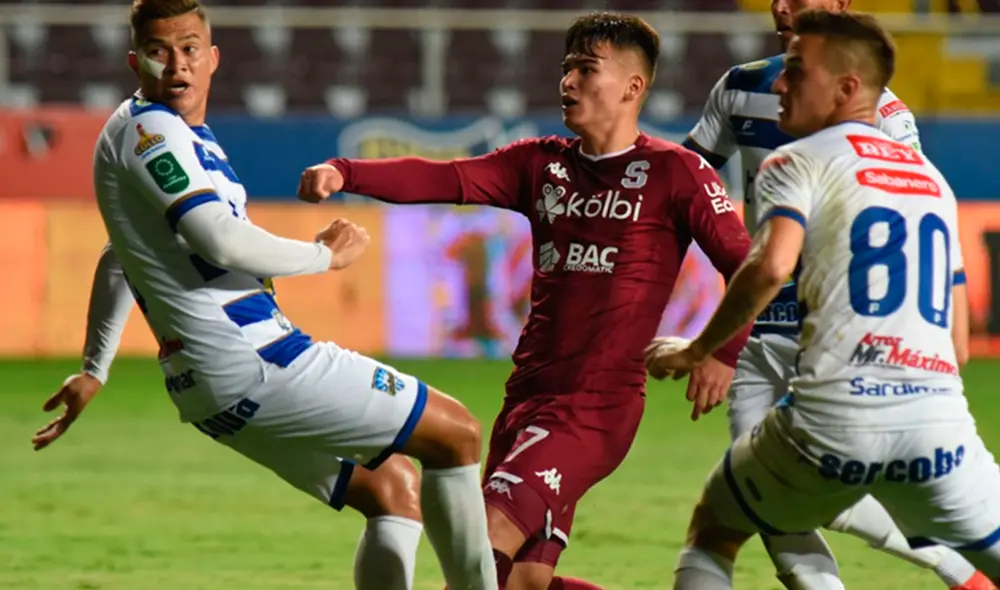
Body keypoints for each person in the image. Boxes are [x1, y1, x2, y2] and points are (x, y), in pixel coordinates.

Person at [31, 2, 498, 589]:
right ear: (135, 60)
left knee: (391, 490)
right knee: (456, 432)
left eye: (190, 48)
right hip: (254, 361)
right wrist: (325, 256)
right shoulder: (154, 132)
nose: (177, 64)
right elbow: (219, 239)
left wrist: (94, 369)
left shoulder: (150, 132)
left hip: (206, 386)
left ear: (213, 58)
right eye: (158, 50)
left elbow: (119, 255)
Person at [296, 12, 753, 590]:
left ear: (633, 88)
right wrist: (346, 171)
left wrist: (722, 351)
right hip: (525, 403)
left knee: (475, 561)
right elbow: (445, 177)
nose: (567, 82)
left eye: (586, 70)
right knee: (518, 584)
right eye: (565, 69)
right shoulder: (540, 164)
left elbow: (753, 266)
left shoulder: (675, 172)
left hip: (592, 410)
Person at [647, 10, 1000, 590]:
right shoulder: (932, 182)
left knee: (721, 523)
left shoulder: (803, 157)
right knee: (782, 505)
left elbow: (772, 265)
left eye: (796, 72)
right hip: (931, 411)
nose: (781, 84)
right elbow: (957, 345)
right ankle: (955, 567)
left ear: (846, 86)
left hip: (830, 384)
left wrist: (700, 348)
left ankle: (949, 563)